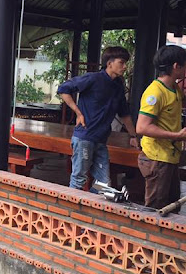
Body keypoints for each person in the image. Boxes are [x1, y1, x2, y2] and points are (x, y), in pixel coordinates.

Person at [58, 46, 138, 190]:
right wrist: (78, 113)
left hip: (101, 140)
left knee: (104, 184)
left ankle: (91, 204)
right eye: (121, 63)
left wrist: (133, 136)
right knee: (79, 179)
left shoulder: (118, 86)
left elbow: (124, 113)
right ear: (109, 63)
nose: (125, 67)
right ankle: (71, 205)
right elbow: (63, 89)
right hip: (84, 137)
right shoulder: (93, 78)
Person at [136, 45, 186, 209]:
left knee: (172, 206)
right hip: (157, 158)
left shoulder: (175, 89)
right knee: (156, 209)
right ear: (176, 66)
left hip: (169, 156)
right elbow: (142, 128)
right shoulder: (155, 92)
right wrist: (177, 136)